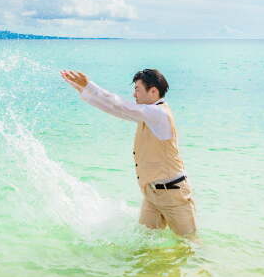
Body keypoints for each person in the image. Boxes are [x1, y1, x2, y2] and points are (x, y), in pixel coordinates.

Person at [60, 68, 196, 238]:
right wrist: (82, 89)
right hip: (152, 193)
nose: (134, 94)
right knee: (145, 244)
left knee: (190, 244)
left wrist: (89, 86)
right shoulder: (148, 114)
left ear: (153, 91)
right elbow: (116, 109)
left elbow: (120, 105)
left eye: (137, 89)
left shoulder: (158, 114)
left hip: (173, 194)